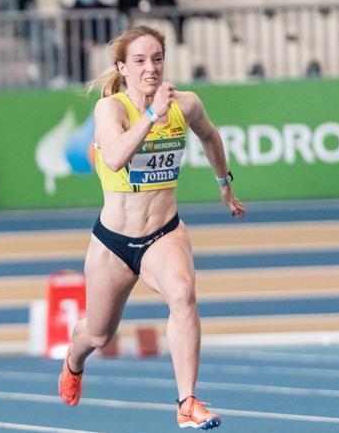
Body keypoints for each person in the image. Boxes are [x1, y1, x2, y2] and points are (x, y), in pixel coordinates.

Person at [58, 25, 245, 431]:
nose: (151, 69)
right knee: (98, 334)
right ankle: (73, 360)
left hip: (163, 232)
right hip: (113, 242)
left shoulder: (187, 104)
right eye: (140, 61)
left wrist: (224, 185)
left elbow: (211, 137)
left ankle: (186, 402)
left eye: (157, 59)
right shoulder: (112, 110)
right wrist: (150, 115)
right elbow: (114, 159)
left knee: (183, 293)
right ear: (123, 68)